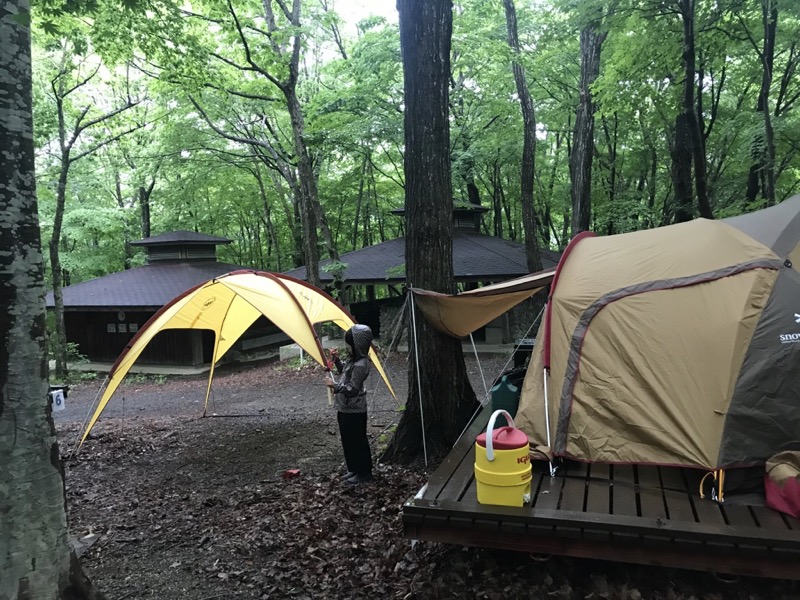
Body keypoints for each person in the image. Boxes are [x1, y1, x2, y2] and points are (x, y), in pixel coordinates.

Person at [324, 324, 374, 485]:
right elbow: (344, 372)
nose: (347, 347)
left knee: (358, 441)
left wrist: (334, 386)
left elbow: (352, 388)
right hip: (344, 408)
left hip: (356, 410)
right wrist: (337, 361)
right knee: (348, 440)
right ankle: (353, 468)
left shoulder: (362, 365)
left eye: (349, 344)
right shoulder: (353, 361)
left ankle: (364, 471)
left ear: (358, 345)